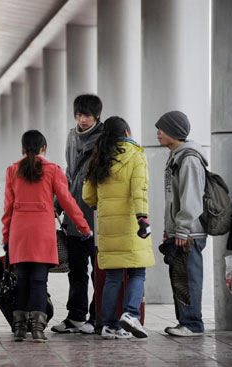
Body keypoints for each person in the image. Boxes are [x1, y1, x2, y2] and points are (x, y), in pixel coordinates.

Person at [2, 130, 91, 342]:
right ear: (44, 149)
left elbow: (8, 209)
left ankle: (20, 328)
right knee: (39, 281)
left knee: (22, 279)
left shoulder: (12, 170)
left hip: (19, 234)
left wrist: (6, 237)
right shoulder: (53, 170)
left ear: (23, 149)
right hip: (42, 233)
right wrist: (84, 227)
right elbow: (68, 202)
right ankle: (38, 329)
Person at [83, 117, 154, 340]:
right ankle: (131, 313)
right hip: (132, 223)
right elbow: (139, 190)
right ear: (126, 131)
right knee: (137, 271)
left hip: (107, 225)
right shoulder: (136, 155)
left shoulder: (97, 157)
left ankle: (109, 325)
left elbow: (88, 196)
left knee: (113, 276)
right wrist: (142, 218)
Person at [52, 94, 103, 335]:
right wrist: (57, 204)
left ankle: (97, 316)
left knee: (99, 270)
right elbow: (68, 175)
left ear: (97, 116)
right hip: (73, 215)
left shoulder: (104, 139)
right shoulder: (72, 136)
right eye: (79, 115)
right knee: (77, 270)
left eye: (87, 116)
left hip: (96, 216)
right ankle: (75, 317)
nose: (82, 120)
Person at [156, 110, 207, 337]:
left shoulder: (189, 159)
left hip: (190, 233)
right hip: (180, 231)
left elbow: (191, 199)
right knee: (180, 276)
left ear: (175, 132)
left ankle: (193, 324)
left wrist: (182, 228)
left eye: (162, 129)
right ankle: (185, 322)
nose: (158, 133)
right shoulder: (177, 156)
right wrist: (171, 229)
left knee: (188, 278)